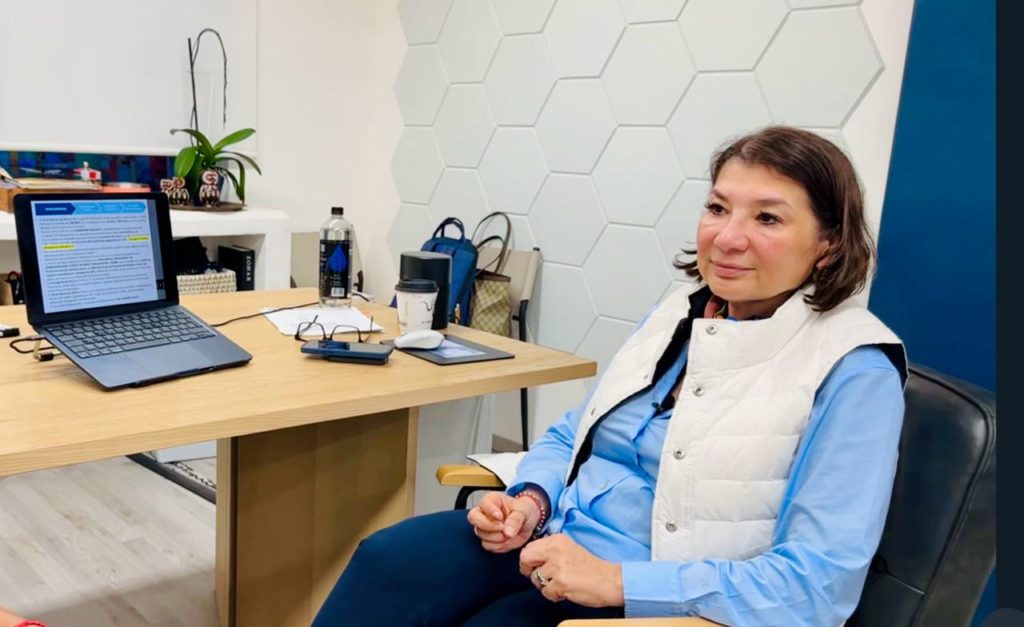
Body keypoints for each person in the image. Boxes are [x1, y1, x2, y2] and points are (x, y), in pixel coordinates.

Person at [312, 126, 907, 626]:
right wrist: (530, 501)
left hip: (658, 595)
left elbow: (819, 585)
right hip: (553, 539)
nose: (728, 238)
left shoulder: (854, 370)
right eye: (718, 208)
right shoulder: (679, 313)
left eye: (768, 218)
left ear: (828, 245)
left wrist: (620, 581)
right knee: (388, 561)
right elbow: (575, 434)